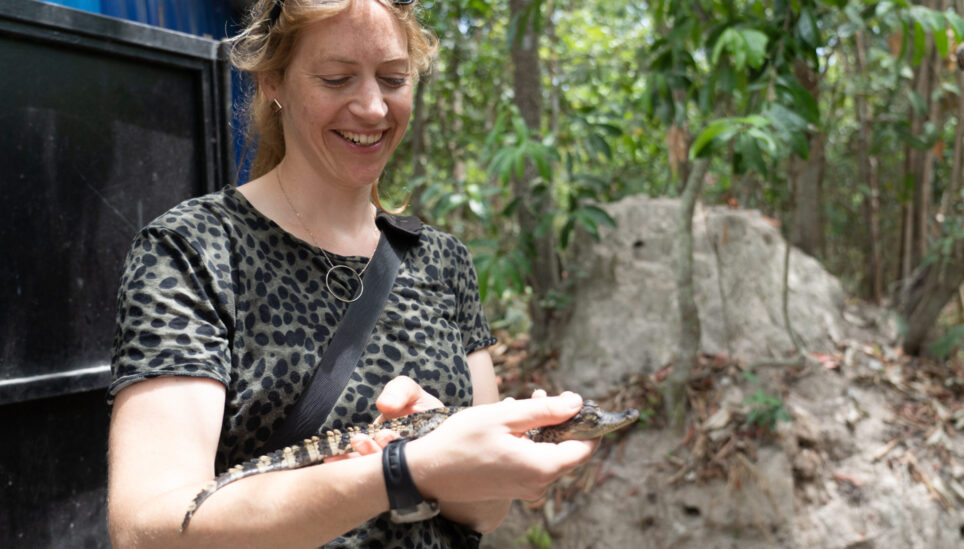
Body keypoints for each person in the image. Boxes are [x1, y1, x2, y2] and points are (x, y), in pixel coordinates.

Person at [106, 1, 598, 547]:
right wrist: (399, 470)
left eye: (393, 78)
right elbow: (147, 528)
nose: (371, 107)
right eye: (337, 78)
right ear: (274, 81)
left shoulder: (441, 260)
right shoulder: (194, 248)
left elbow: (484, 513)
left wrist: (455, 450)